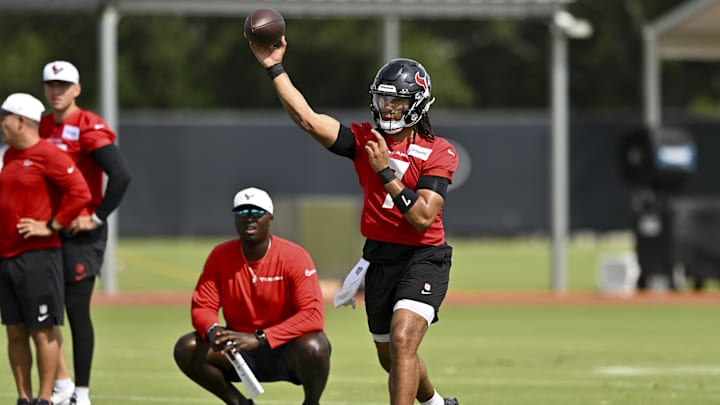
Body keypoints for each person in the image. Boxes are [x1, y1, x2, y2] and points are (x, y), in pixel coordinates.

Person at [250, 37, 460, 405]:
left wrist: (385, 174)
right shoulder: (366, 138)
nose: (388, 107)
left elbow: (423, 217)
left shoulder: (438, 151)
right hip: (379, 258)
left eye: (397, 100)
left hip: (423, 258)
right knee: (392, 357)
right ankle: (436, 403)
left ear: (417, 104)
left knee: (402, 341)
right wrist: (274, 67)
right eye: (383, 98)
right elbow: (308, 119)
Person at [173, 187, 332, 405]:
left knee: (316, 347)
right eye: (241, 212)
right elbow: (203, 305)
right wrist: (213, 330)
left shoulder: (294, 256)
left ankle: (311, 403)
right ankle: (239, 403)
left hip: (285, 348)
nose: (249, 218)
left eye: (257, 212)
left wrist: (260, 338)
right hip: (236, 349)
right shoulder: (220, 255)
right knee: (187, 348)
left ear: (270, 218)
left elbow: (313, 315)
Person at [40, 60, 132, 405]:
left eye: (63, 85)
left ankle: (82, 393)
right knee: (43, 309)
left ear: (77, 89)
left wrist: (96, 217)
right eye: (51, 84)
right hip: (47, 229)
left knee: (77, 311)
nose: (56, 90)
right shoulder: (42, 125)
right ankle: (61, 385)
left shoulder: (88, 126)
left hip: (81, 233)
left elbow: (121, 175)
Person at [0, 93, 92, 405]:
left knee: (43, 330)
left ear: (21, 121)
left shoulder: (48, 154)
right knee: (15, 332)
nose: (2, 123)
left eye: (5, 116)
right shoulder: (9, 156)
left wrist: (51, 225)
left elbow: (80, 192)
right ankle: (24, 397)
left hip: (39, 257)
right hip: (7, 257)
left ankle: (45, 398)